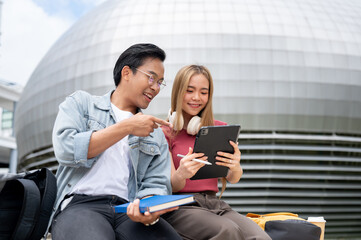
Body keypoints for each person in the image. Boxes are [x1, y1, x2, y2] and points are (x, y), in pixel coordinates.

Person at [50, 43, 182, 240]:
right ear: (127, 73)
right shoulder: (82, 104)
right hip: (80, 205)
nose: (155, 88)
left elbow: (156, 183)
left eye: (160, 82)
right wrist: (127, 127)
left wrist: (148, 210)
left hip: (128, 210)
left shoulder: (154, 134)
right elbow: (66, 149)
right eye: (152, 78)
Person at [161, 65, 271, 240]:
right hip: (180, 205)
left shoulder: (219, 129)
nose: (197, 98)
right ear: (178, 92)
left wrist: (235, 166)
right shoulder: (164, 133)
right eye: (190, 91)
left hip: (214, 204)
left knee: (261, 237)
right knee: (227, 230)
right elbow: (170, 186)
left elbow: (233, 178)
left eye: (204, 92)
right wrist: (182, 174)